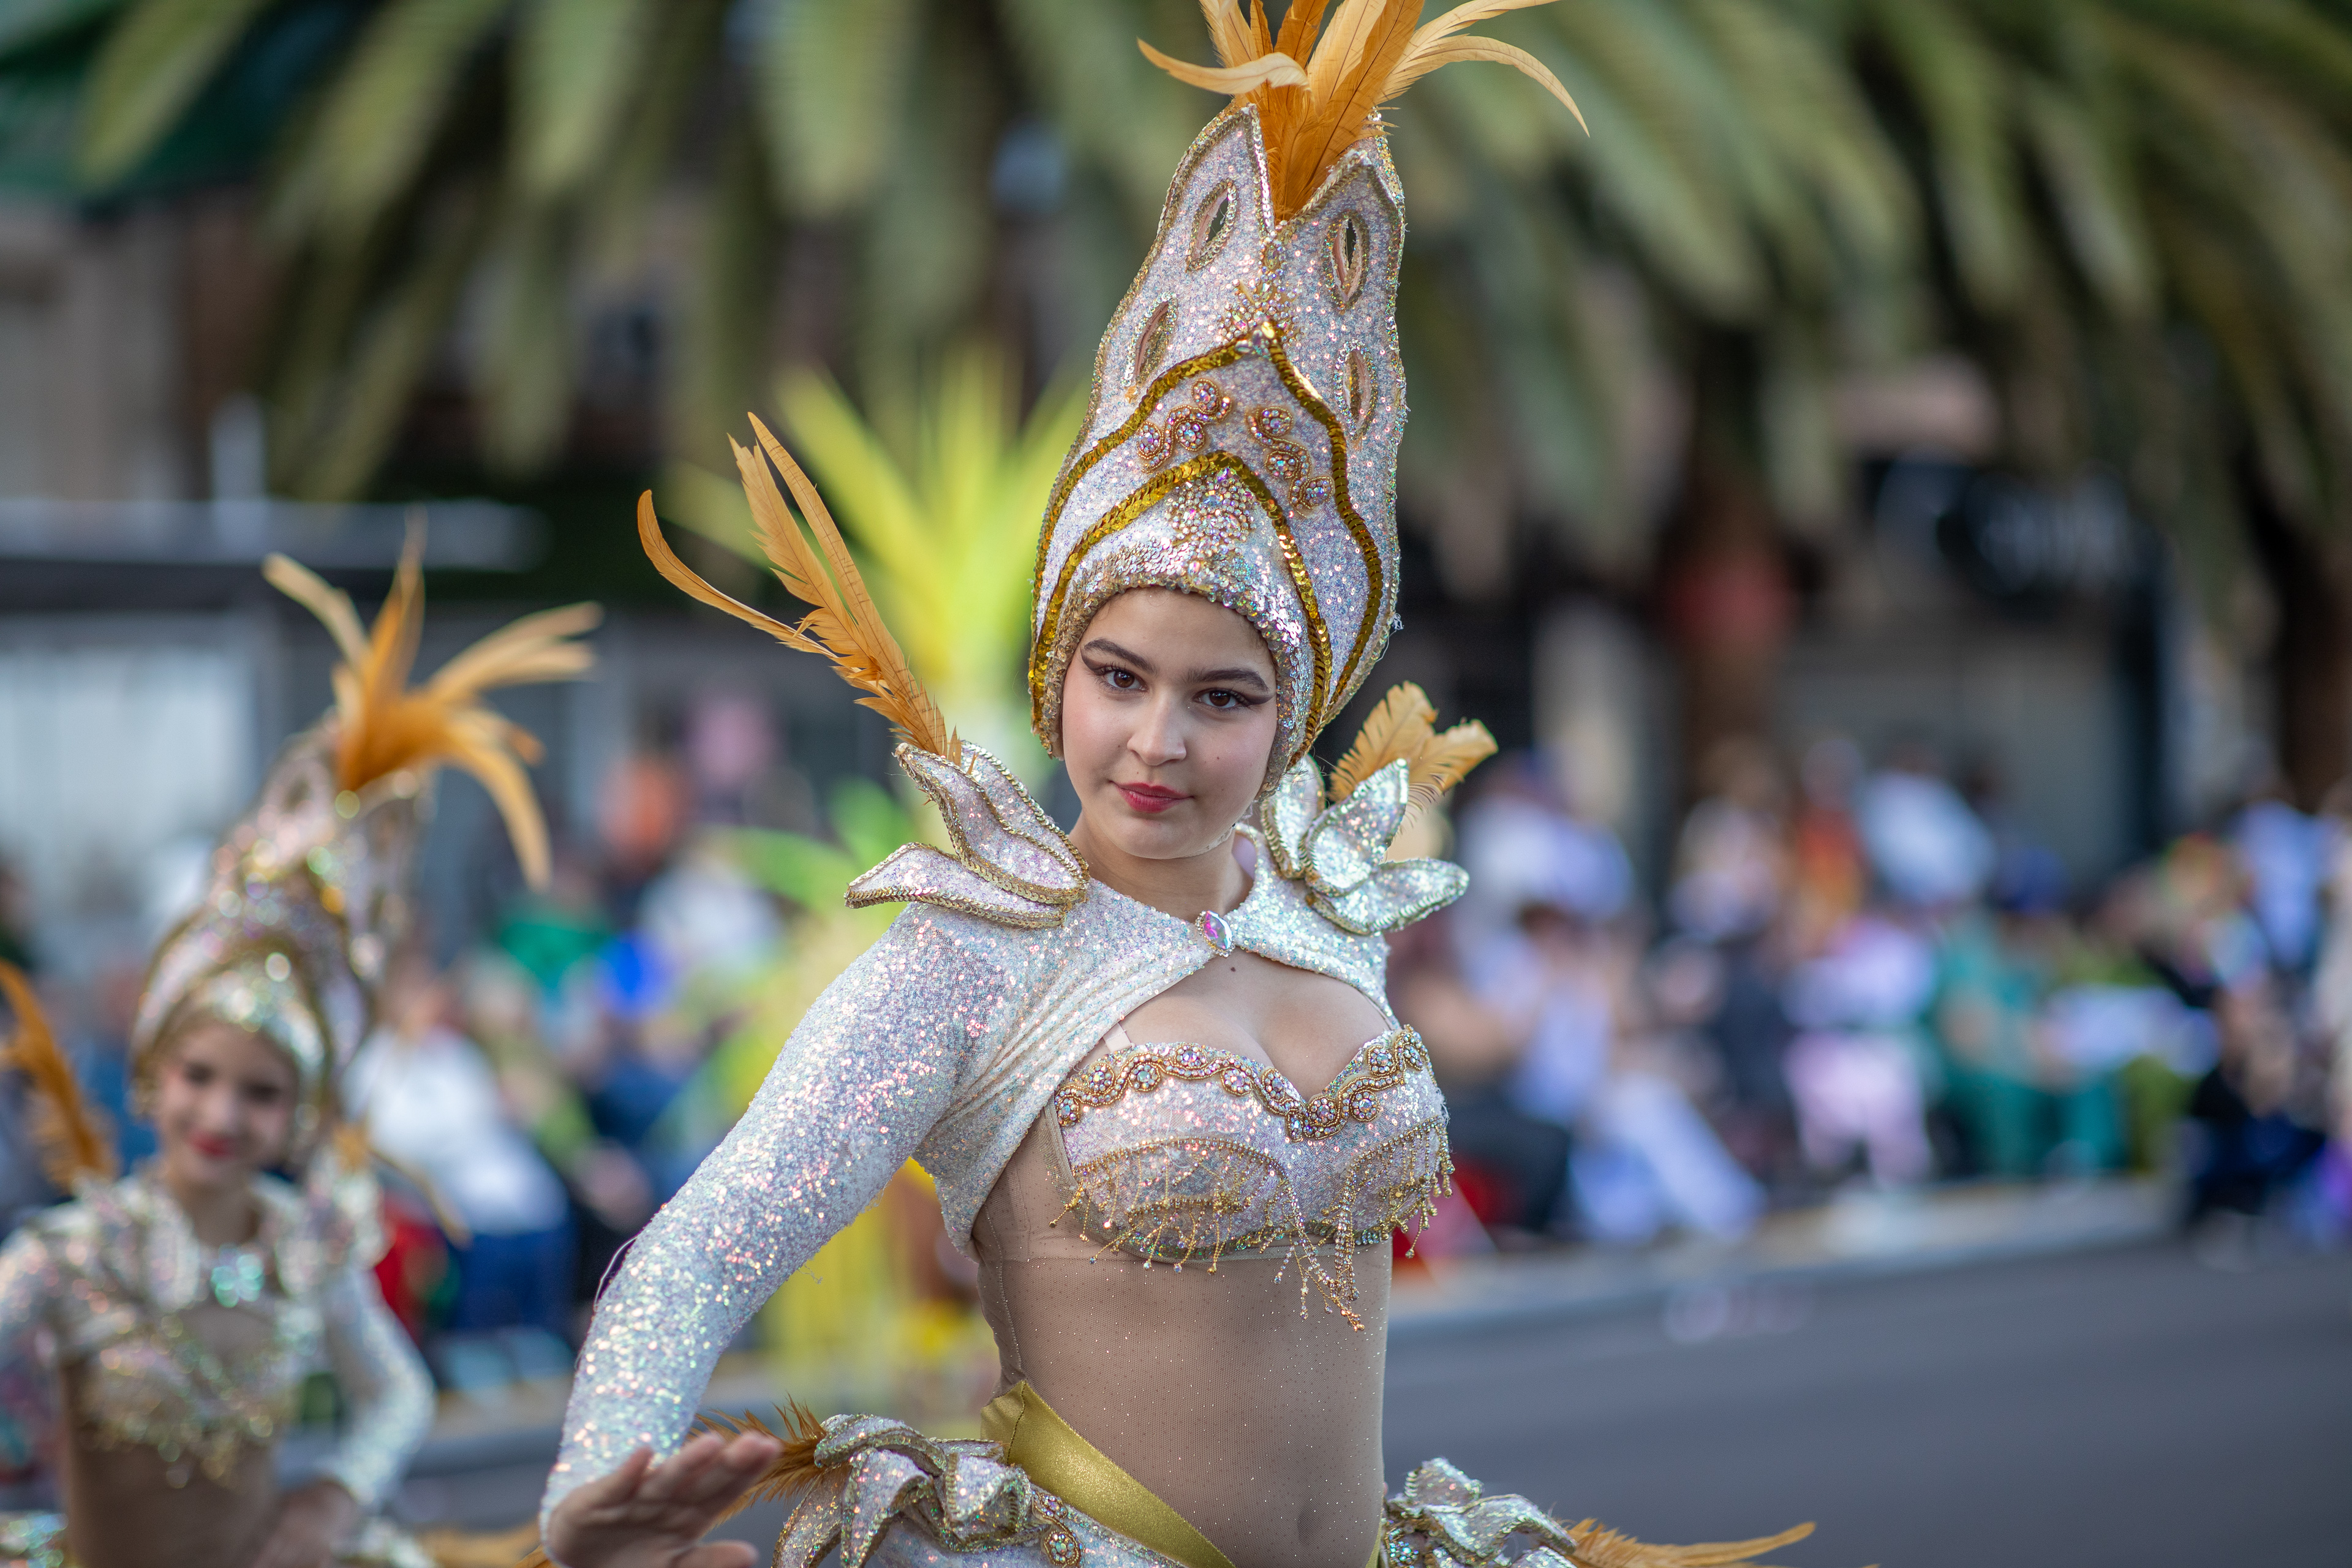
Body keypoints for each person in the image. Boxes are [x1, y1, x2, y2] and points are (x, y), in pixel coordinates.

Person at [538, 16, 1809, 1568]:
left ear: (1291, 720)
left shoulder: (1329, 911)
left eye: (1223, 698)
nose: (1158, 740)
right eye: (1119, 677)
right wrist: (599, 1488)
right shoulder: (976, 956)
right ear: (1054, 679)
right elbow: (702, 1247)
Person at [0, 541, 597, 1568]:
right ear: (148, 1080)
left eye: (261, 1093)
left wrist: (331, 1500)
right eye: (198, 1079)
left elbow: (397, 1393)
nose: (223, 1116)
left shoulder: (304, 1248)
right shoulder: (74, 1256)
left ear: (304, 1113)